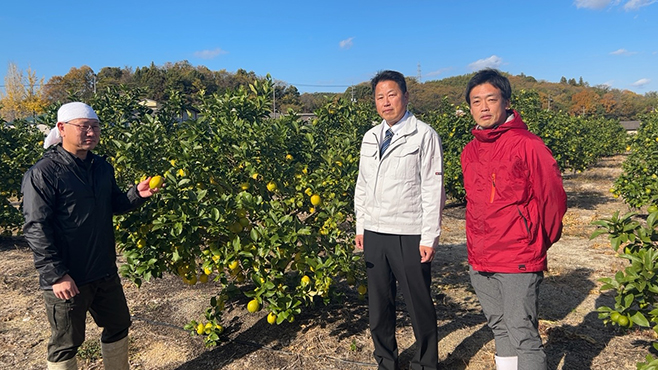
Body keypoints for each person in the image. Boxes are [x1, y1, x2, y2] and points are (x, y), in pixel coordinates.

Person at [22, 102, 161, 370]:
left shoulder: (101, 167)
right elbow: (36, 227)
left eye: (95, 127)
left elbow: (114, 204)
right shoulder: (44, 173)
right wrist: (56, 274)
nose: (91, 132)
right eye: (83, 126)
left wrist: (136, 195)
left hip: (103, 270)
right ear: (62, 129)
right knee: (66, 343)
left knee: (119, 325)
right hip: (68, 275)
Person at [461, 69, 567, 370]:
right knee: (499, 325)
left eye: (490, 99)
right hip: (480, 257)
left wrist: (534, 240)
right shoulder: (470, 151)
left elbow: (553, 200)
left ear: (506, 102)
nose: (483, 107)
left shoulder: (528, 145)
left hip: (517, 255)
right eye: (476, 101)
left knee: (522, 331)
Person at [354, 70, 446, 370]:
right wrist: (361, 226)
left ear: (406, 96)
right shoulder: (370, 137)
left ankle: (425, 363)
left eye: (392, 95)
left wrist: (429, 237)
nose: (386, 102)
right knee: (379, 306)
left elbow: (434, 189)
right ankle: (386, 360)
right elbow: (362, 185)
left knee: (418, 303)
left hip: (408, 232)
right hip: (375, 232)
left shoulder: (424, 135)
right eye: (380, 97)